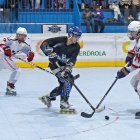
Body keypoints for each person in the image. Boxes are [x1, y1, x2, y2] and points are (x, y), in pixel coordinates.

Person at [39, 26, 82, 113]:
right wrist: (48, 51)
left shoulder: (76, 47)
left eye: (78, 36)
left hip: (64, 66)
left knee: (64, 85)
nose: (77, 38)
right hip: (54, 65)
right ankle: (64, 103)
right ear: (70, 35)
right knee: (67, 81)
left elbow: (73, 60)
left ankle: (48, 97)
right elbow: (44, 43)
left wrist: (67, 69)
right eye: (76, 36)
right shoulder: (60, 40)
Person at [0, 27, 34, 95]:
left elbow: (28, 51)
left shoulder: (25, 44)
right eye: (20, 35)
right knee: (16, 70)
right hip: (2, 55)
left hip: (4, 57)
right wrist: (5, 48)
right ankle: (10, 85)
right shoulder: (11, 39)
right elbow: (1, 43)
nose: (21, 37)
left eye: (23, 36)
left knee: (16, 70)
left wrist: (30, 55)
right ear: (17, 35)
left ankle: (10, 86)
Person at [116, 21, 140, 118]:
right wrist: (130, 55)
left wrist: (125, 71)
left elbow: (137, 64)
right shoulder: (138, 40)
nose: (130, 34)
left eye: (132, 32)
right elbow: (135, 50)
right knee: (134, 82)